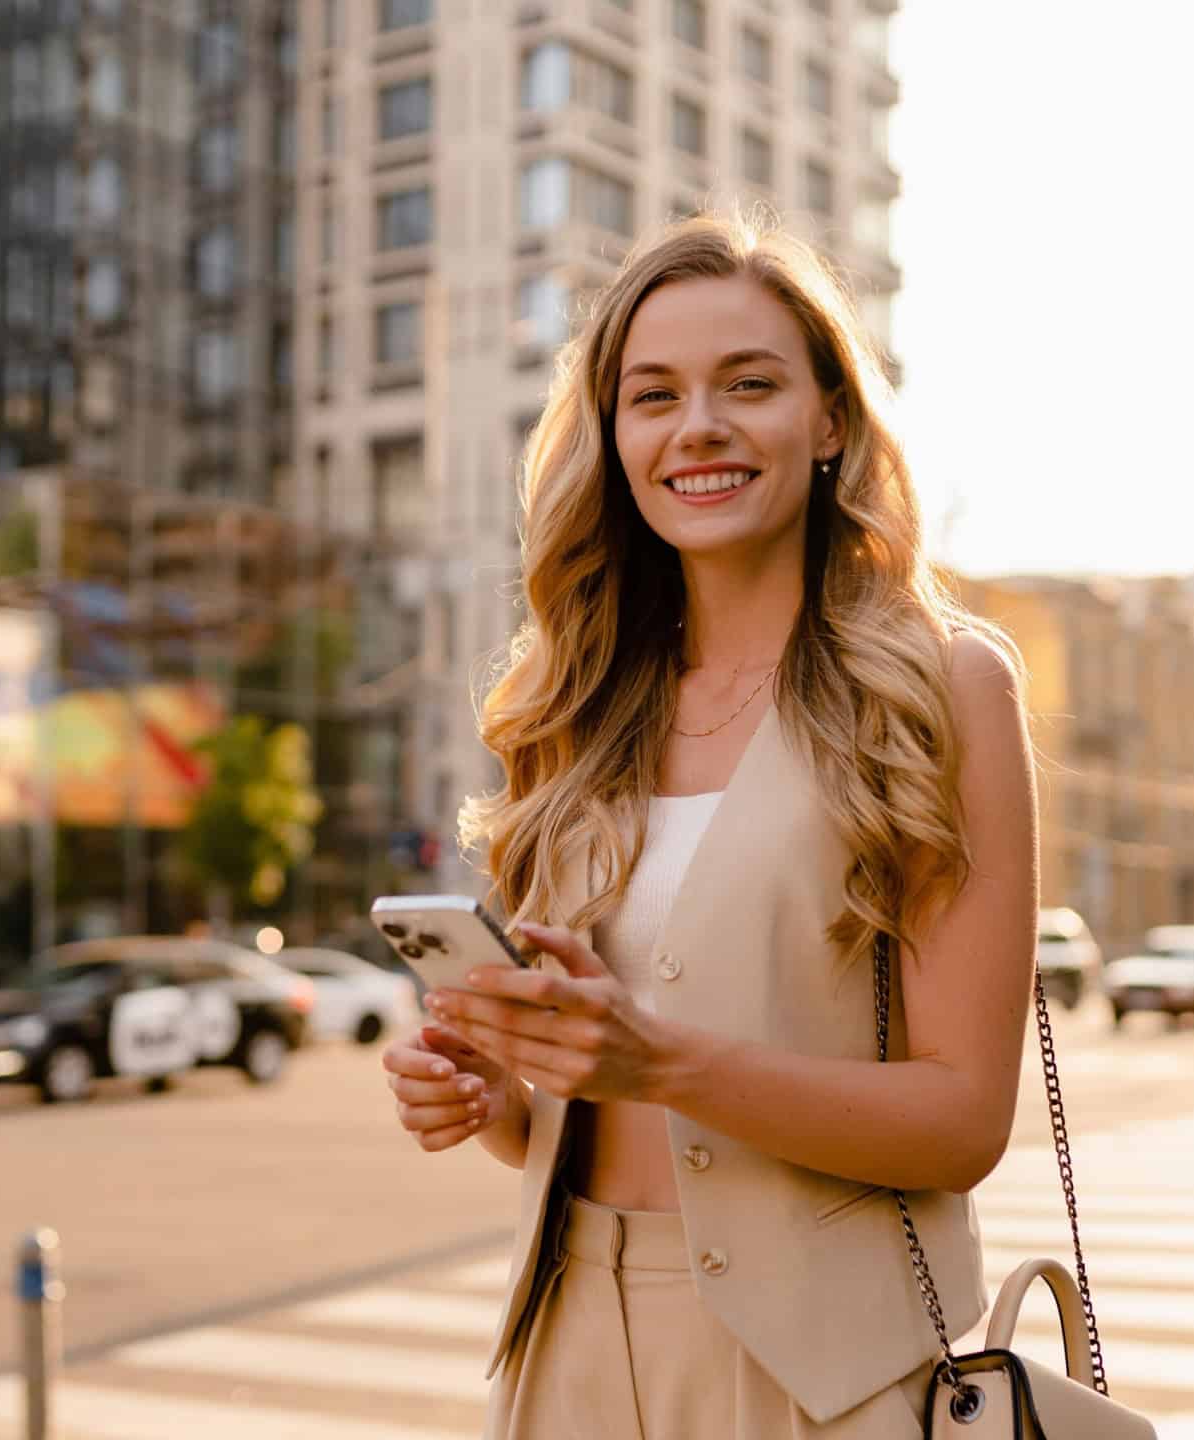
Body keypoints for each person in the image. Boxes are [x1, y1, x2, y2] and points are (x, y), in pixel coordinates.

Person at [378, 214, 1039, 1438]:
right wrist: (491, 1098)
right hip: (561, 1345)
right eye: (653, 395)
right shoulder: (576, 707)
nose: (699, 428)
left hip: (824, 1380)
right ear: (615, 434)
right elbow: (579, 1114)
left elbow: (960, 1122)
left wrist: (663, 1062)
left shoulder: (942, 686)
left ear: (830, 419)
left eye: (750, 384)